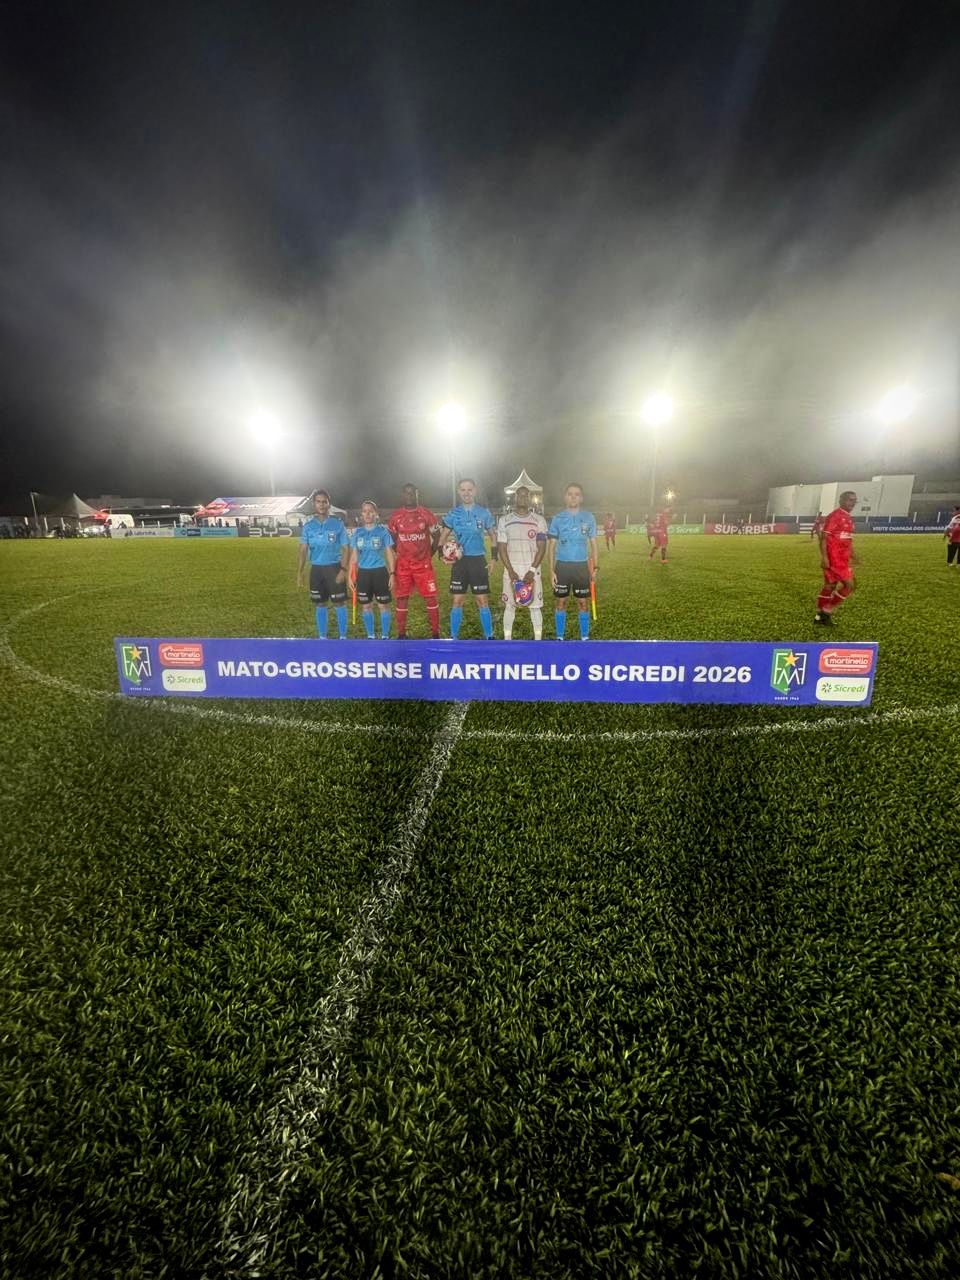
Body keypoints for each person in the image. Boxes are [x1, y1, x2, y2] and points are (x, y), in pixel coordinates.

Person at [439, 478, 498, 639]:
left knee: (482, 600)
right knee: (457, 601)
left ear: (475, 491)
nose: (466, 493)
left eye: (469, 489)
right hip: (460, 562)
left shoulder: (483, 513)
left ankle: (489, 636)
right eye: (463, 490)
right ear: (459, 492)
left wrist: (493, 559)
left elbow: (493, 536)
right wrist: (442, 555)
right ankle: (454, 637)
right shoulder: (454, 513)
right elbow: (443, 536)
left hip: (478, 561)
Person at [386, 483, 442, 638]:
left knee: (431, 598)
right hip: (403, 566)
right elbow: (392, 539)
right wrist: (401, 554)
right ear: (402, 495)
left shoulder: (426, 514)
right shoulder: (396, 516)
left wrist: (429, 554)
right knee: (402, 598)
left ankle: (435, 634)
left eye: (412, 493)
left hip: (423, 566)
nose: (409, 495)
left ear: (418, 494)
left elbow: (437, 536)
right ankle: (401, 634)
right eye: (406, 492)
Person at [297, 490, 350, 638]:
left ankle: (343, 637)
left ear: (329, 504)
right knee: (320, 603)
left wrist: (343, 570)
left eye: (324, 502)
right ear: (314, 504)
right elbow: (303, 550)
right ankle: (322, 637)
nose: (321, 505)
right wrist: (300, 573)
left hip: (334, 568)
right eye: (318, 502)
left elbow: (346, 548)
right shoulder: (308, 526)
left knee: (339, 603)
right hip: (316, 570)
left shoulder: (337, 524)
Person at [548, 483, 598, 640]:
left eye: (577, 494)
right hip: (562, 566)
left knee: (583, 603)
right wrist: (551, 570)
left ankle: (584, 637)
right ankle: (559, 637)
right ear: (565, 497)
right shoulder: (557, 519)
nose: (573, 497)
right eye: (570, 494)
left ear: (581, 498)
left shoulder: (589, 517)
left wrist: (595, 567)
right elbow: (551, 547)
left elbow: (594, 544)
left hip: (582, 567)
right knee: (560, 602)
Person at [497, 486, 548, 639]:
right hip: (511, 570)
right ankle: (507, 640)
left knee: (535, 607)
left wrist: (532, 570)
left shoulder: (539, 520)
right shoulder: (504, 520)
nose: (523, 498)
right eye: (520, 495)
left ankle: (538, 641)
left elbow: (542, 548)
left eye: (526, 496)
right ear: (515, 498)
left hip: (532, 571)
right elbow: (502, 548)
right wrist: (510, 571)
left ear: (530, 499)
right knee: (509, 606)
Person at [350, 500, 396, 638]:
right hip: (363, 574)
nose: (368, 514)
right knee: (366, 606)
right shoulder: (357, 533)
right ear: (361, 514)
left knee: (383, 606)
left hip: (380, 572)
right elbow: (354, 556)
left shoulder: (382, 532)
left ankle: (385, 636)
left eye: (370, 511)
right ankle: (370, 635)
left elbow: (389, 553)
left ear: (376, 514)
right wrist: (350, 576)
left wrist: (392, 573)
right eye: (365, 511)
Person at [814, 490, 858, 625]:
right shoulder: (835, 516)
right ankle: (826, 610)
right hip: (834, 558)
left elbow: (847, 539)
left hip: (843, 558)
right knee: (850, 585)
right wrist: (825, 558)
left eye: (854, 500)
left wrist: (853, 554)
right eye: (849, 500)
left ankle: (820, 617)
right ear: (841, 500)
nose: (852, 503)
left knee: (830, 585)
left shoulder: (848, 517)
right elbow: (824, 538)